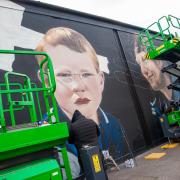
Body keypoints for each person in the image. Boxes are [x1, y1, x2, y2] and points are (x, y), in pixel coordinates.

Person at [36, 27, 124, 178]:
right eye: (64, 75)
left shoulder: (114, 124)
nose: (79, 86)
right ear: (46, 81)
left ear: (101, 80)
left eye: (86, 74)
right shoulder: (48, 134)